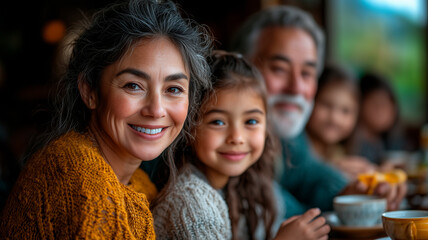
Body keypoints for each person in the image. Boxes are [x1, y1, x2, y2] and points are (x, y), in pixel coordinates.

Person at [0, 0, 213, 238]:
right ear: (89, 91)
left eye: (173, 89)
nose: (156, 110)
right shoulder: (75, 173)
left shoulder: (140, 184)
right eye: (133, 86)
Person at [230, 5, 407, 218]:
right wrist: (322, 216)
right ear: (240, 67)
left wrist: (355, 191)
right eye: (279, 69)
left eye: (307, 73)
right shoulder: (227, 142)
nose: (296, 88)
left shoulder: (291, 136)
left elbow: (310, 174)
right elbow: (265, 201)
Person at [152, 51, 330, 240]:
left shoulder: (246, 186)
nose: (237, 138)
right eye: (218, 122)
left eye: (251, 122)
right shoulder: (191, 203)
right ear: (189, 129)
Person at [305, 64, 376, 180]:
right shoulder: (297, 152)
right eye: (326, 105)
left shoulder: (338, 152)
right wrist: (332, 171)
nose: (335, 118)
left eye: (345, 111)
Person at [349, 71, 407, 169]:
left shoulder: (383, 141)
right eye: (377, 104)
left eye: (390, 105)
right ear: (359, 104)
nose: (386, 112)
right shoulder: (351, 142)